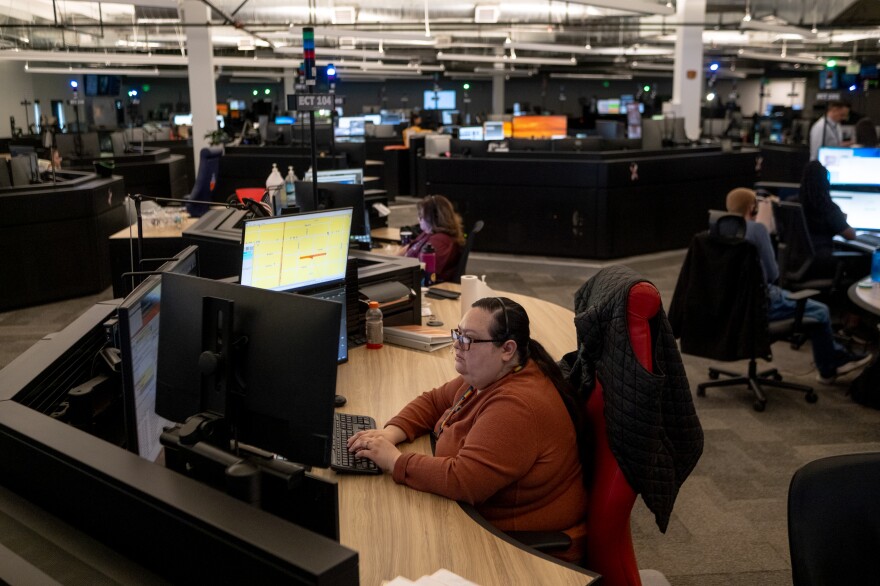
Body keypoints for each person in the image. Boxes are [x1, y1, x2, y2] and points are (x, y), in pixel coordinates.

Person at [348, 297, 589, 563]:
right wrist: (392, 432)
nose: (457, 345)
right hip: (477, 518)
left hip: (519, 549)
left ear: (507, 349)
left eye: (469, 339)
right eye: (458, 334)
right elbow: (434, 400)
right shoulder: (492, 373)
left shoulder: (516, 408)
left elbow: (464, 480)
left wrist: (394, 461)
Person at [726, 188, 870, 383]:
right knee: (820, 311)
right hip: (762, 303)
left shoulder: (719, 228)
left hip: (733, 304)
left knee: (789, 296)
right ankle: (830, 368)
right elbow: (772, 275)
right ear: (752, 208)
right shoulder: (757, 230)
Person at [399, 194, 464, 282]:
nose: (419, 219)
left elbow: (424, 272)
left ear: (432, 219)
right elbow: (410, 246)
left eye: (421, 216)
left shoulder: (440, 241)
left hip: (417, 283)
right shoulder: (429, 232)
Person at [798, 160, 856, 257]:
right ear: (825, 183)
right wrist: (842, 220)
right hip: (821, 260)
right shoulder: (828, 208)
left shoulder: (794, 203)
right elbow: (851, 236)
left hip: (797, 260)